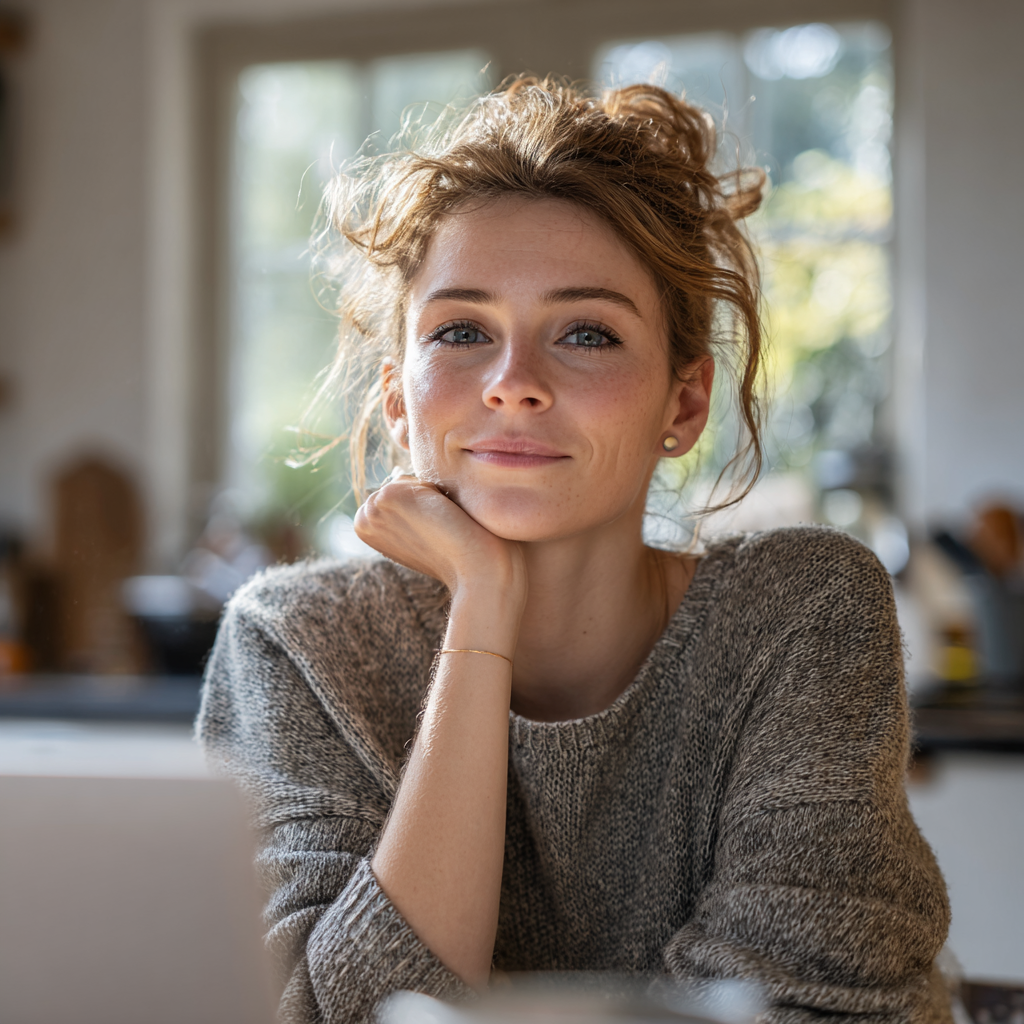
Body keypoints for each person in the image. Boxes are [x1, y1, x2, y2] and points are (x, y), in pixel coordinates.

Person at [197, 77, 952, 1024]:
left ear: (682, 405)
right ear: (397, 400)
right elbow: (320, 1015)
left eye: (586, 333)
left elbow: (801, 1004)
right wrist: (482, 606)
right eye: (462, 331)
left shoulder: (800, 614)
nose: (514, 383)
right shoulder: (297, 643)